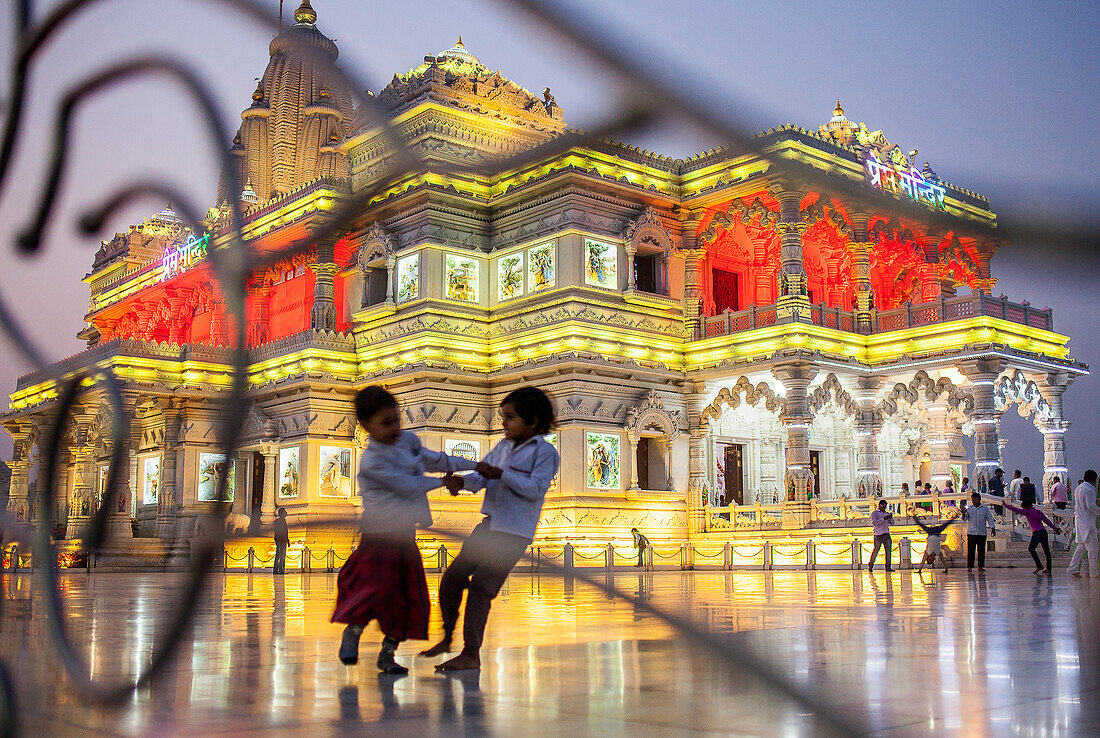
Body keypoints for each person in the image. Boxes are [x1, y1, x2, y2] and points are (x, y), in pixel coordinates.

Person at [332, 386, 477, 674]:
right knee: (372, 590)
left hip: (405, 536)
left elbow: (436, 460)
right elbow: (405, 485)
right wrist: (444, 483)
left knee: (406, 598)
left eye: (396, 419)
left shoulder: (407, 441)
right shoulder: (372, 460)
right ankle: (353, 632)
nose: (395, 427)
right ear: (365, 426)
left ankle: (388, 653)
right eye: (386, 423)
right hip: (378, 536)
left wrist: (475, 466)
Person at [422, 387, 559, 672]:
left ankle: (471, 652)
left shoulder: (546, 453)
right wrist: (463, 482)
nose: (504, 423)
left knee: (481, 588)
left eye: (510, 417)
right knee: (452, 578)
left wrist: (502, 475)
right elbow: (483, 476)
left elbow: (535, 489)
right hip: (490, 525)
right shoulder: (503, 447)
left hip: (514, 532)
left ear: (532, 422)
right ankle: (447, 637)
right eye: (502, 417)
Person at [1003, 498, 1060, 574]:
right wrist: (1055, 528)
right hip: (1043, 532)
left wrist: (1006, 505)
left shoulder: (1028, 512)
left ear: (1025, 507)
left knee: (1031, 549)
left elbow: (1016, 510)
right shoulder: (1038, 512)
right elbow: (1047, 521)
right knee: (1046, 551)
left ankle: (1039, 565)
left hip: (1037, 533)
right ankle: (1048, 568)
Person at [1067, 470, 1099, 578]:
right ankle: (1094, 572)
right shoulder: (1090, 489)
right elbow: (1090, 506)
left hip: (1080, 521)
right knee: (1092, 548)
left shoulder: (1079, 488)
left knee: (1081, 547)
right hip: (1087, 522)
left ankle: (1072, 569)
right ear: (1094, 479)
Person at [962, 492, 997, 571]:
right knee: (971, 550)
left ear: (979, 499)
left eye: (975, 499)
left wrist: (992, 528)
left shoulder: (985, 509)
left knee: (981, 550)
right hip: (971, 532)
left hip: (982, 532)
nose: (974, 501)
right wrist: (963, 513)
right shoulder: (969, 509)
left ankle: (980, 566)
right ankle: (970, 566)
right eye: (972, 499)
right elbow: (964, 519)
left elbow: (990, 518)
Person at [867, 499, 894, 572]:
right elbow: (874, 523)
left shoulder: (886, 513)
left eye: (885, 506)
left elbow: (892, 523)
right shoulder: (874, 513)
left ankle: (888, 567)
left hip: (886, 534)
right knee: (876, 550)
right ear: (880, 505)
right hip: (878, 535)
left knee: (888, 551)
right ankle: (871, 565)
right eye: (883, 506)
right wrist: (883, 519)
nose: (884, 508)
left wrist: (890, 518)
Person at [273, 507, 289, 574]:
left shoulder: (278, 521)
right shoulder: (281, 521)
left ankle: (276, 570)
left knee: (278, 555)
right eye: (285, 511)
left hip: (280, 540)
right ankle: (281, 570)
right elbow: (282, 532)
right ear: (282, 513)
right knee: (282, 556)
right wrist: (286, 540)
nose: (286, 513)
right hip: (281, 540)